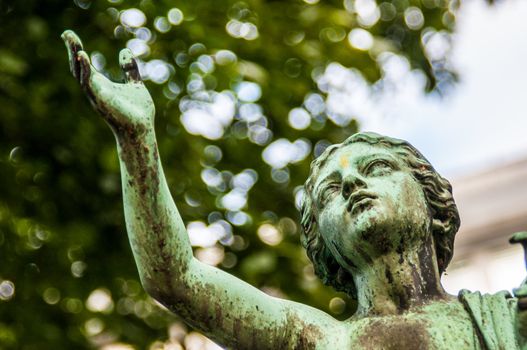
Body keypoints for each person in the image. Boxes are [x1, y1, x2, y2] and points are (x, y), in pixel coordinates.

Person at [62, 30, 527, 349]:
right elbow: (175, 279)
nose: (351, 185)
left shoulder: (509, 318)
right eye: (328, 193)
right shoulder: (316, 340)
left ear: (435, 204)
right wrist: (137, 141)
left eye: (378, 167)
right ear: (323, 245)